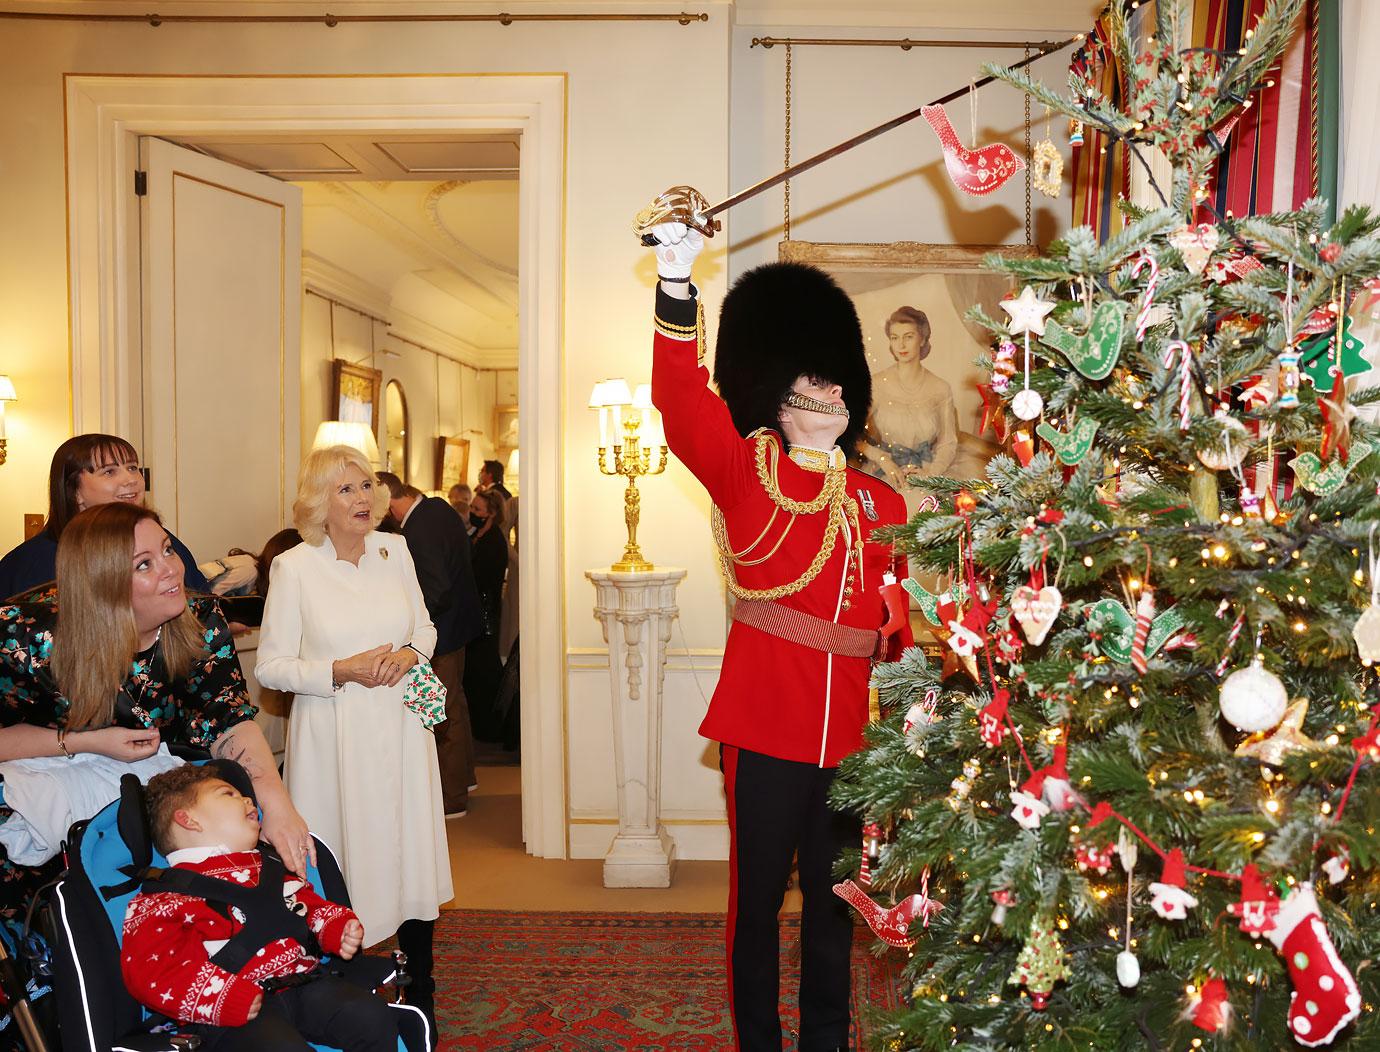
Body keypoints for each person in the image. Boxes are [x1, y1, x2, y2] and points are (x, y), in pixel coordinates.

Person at [648, 223, 908, 1052]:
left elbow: (887, 621)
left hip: (852, 741)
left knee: (836, 912)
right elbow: (679, 401)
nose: (823, 405)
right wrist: (676, 285)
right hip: (763, 731)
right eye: (805, 391)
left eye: (835, 393)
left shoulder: (884, 505)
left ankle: (824, 1042)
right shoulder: (745, 474)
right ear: (774, 396)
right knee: (755, 909)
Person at [0, 502, 312, 914]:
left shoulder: (201, 620)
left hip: (166, 813)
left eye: (167, 549)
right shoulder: (27, 637)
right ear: (101, 584)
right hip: (49, 838)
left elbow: (230, 719)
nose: (171, 568)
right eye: (144, 564)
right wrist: (86, 741)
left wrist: (277, 803)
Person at [255, 445, 450, 1024]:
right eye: (346, 489)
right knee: (344, 854)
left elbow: (424, 627)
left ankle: (421, 985)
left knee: (410, 849)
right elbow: (271, 667)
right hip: (335, 736)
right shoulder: (294, 568)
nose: (362, 498)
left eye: (366, 486)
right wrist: (342, 669)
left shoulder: (397, 550)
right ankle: (341, 987)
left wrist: (412, 654)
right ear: (320, 502)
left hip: (401, 728)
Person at [122, 764, 396, 1052]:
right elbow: (155, 971)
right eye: (228, 794)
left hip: (303, 984)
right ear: (189, 820)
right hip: (234, 1012)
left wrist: (337, 927)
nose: (249, 801)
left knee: (372, 1017)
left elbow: (311, 907)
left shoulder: (271, 868)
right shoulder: (166, 897)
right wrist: (224, 996)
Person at [377, 472, 483, 817]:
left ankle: (452, 798)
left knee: (441, 714)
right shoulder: (438, 508)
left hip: (444, 632)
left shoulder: (417, 529)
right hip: (462, 626)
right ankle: (465, 779)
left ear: (388, 501)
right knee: (458, 706)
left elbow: (436, 589)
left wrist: (410, 624)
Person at [0, 433, 210, 600]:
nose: (131, 479)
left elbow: (203, 608)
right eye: (109, 472)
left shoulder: (162, 542)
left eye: (132, 467)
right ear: (75, 492)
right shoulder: (32, 563)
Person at [857, 307, 960, 491]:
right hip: (884, 472)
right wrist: (882, 458)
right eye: (895, 338)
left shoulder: (940, 388)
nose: (901, 345)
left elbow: (947, 443)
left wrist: (930, 475)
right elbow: (850, 433)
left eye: (909, 336)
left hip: (927, 472)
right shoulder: (877, 384)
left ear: (923, 339)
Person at [462, 490, 509, 744]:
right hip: (475, 614)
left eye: (478, 510)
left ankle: (490, 729)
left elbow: (482, 579)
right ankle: (480, 726)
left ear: (491, 513)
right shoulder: (475, 535)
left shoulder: (494, 541)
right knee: (474, 673)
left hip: (486, 616)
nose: (473, 513)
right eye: (472, 508)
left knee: (485, 672)